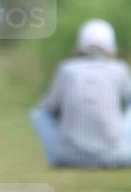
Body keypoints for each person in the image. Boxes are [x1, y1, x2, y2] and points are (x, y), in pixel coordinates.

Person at [30, 19, 131, 168]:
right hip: (118, 156)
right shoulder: (119, 69)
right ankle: (121, 145)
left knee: (37, 113)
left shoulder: (67, 69)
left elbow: (47, 108)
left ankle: (56, 155)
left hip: (67, 157)